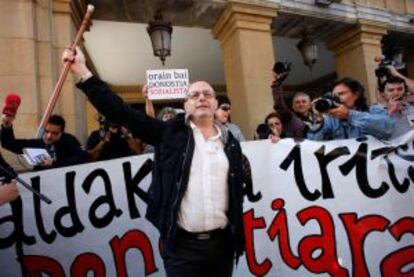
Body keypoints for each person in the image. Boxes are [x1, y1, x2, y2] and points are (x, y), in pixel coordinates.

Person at [63, 48, 246, 277]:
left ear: (215, 103)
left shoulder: (231, 144)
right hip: (182, 248)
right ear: (186, 105)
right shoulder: (169, 134)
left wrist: (274, 142)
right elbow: (123, 113)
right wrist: (82, 72)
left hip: (222, 246)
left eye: (207, 94)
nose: (201, 98)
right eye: (194, 95)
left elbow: (241, 184)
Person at [307, 77, 395, 141]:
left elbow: (388, 128)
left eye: (341, 94)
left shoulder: (373, 110)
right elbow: (314, 143)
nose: (337, 98)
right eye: (334, 96)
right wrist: (318, 120)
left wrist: (349, 115)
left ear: (356, 94)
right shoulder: (330, 120)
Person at [1, 114, 89, 170]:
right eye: (47, 131)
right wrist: (6, 126)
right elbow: (9, 144)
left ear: (61, 133)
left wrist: (54, 163)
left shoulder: (69, 140)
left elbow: (83, 157)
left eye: (54, 133)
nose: (49, 136)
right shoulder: (37, 143)